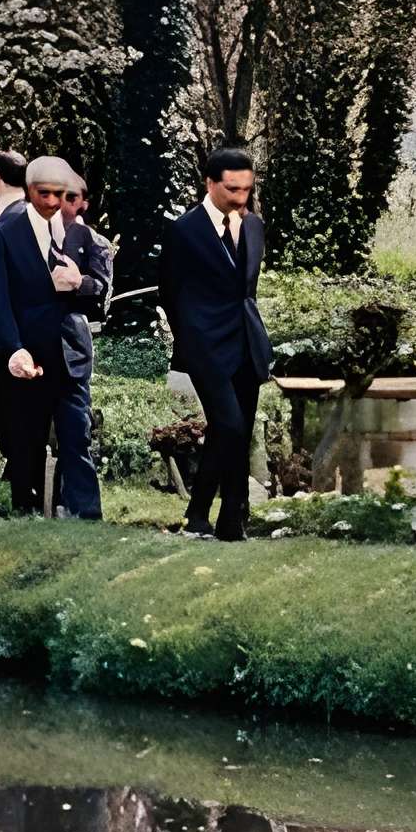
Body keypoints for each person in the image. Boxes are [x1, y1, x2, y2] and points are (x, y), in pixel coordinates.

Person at [159, 145, 270, 540]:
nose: (240, 197)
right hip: (205, 345)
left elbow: (247, 289)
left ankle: (226, 517)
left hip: (246, 341)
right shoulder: (183, 231)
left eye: (246, 189)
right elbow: (170, 294)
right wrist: (191, 341)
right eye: (231, 189)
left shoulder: (254, 226)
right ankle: (213, 511)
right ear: (210, 183)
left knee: (233, 430)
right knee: (230, 425)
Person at [0, 155, 94, 516]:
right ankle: (24, 508)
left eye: (60, 193)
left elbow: (97, 288)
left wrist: (80, 283)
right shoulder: (5, 233)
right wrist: (13, 348)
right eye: (45, 193)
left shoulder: (76, 233)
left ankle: (79, 513)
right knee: (26, 435)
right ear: (29, 191)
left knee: (76, 434)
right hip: (26, 349)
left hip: (67, 349)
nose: (53, 202)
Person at [52, 175, 116, 520]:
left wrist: (79, 283)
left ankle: (85, 508)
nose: (64, 201)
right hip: (34, 342)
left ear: (83, 202)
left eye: (72, 196)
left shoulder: (95, 241)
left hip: (73, 344)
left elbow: (103, 294)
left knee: (76, 428)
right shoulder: (33, 234)